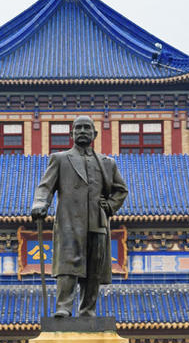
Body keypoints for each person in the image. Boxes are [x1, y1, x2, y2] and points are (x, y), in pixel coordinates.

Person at [30, 116, 128, 317]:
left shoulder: (107, 163)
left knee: (94, 267)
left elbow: (121, 190)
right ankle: (64, 307)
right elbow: (45, 186)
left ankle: (87, 310)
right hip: (70, 221)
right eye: (78, 128)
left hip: (97, 220)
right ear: (71, 133)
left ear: (95, 134)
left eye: (87, 128)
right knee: (68, 263)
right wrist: (40, 204)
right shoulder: (60, 159)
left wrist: (110, 206)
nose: (82, 131)